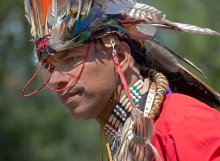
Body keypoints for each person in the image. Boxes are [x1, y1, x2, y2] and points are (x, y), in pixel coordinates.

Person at [23, 0, 220, 160]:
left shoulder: (184, 122)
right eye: (51, 68)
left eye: (71, 59)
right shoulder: (124, 142)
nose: (55, 80)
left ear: (121, 56)